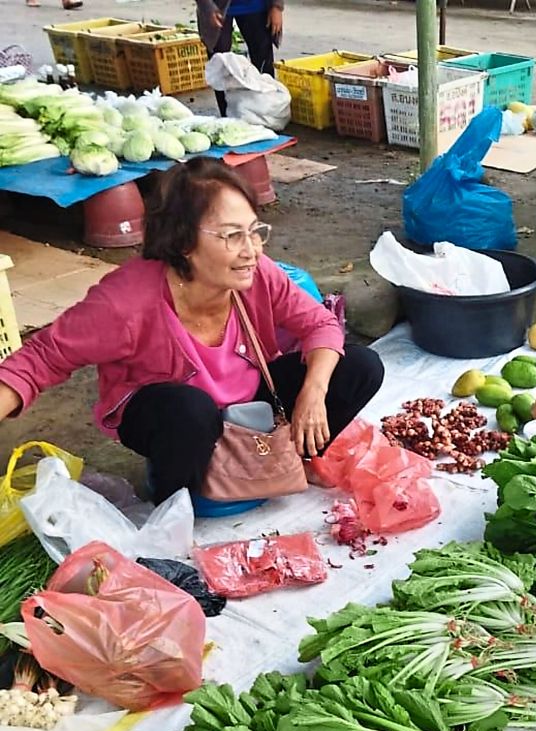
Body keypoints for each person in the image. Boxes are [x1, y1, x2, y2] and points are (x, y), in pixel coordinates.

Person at [0, 158, 384, 504]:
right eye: (232, 236)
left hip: (244, 401)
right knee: (191, 412)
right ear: (183, 241)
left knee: (360, 366)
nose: (251, 250)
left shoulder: (259, 273)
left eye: (254, 231)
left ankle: (279, 461)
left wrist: (313, 395)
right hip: (171, 413)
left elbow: (319, 323)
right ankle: (174, 495)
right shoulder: (125, 303)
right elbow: (41, 359)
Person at [196, 0, 284, 116]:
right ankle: (227, 118)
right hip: (216, 7)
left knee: (263, 65)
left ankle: (267, 115)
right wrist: (206, 5)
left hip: (257, 5)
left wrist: (276, 6)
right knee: (220, 64)